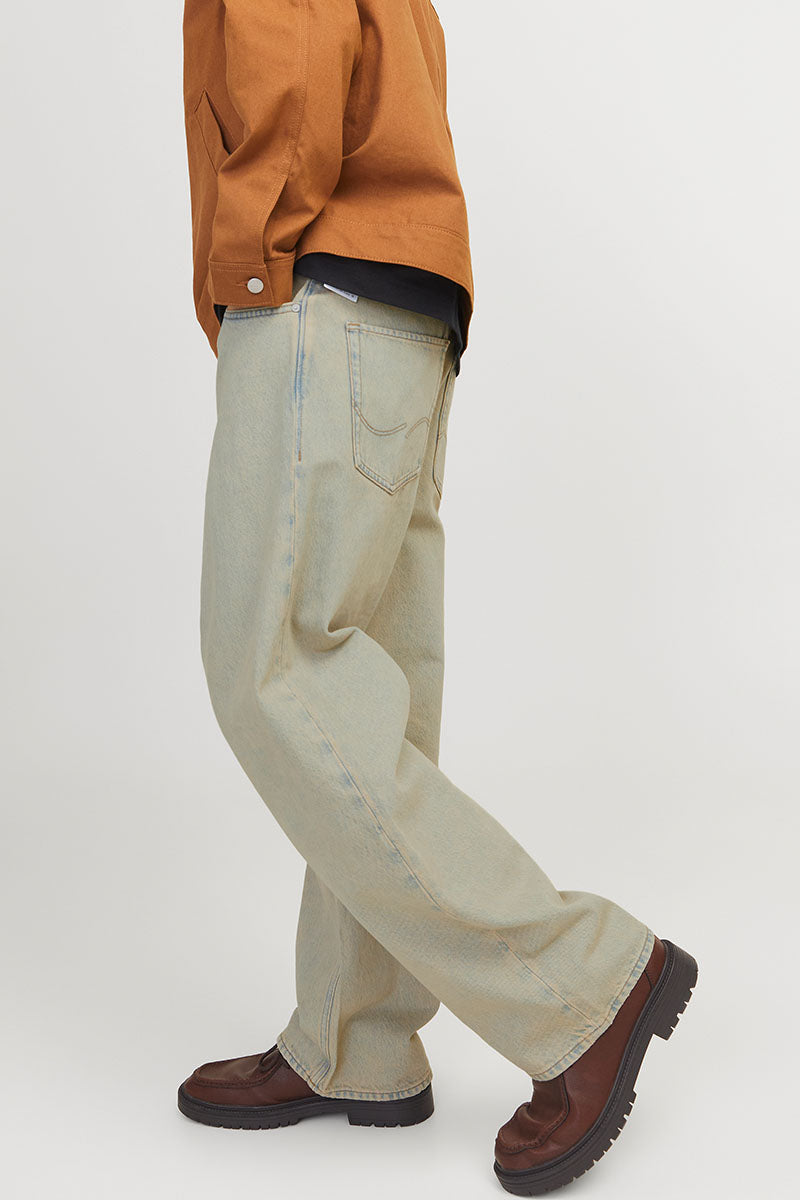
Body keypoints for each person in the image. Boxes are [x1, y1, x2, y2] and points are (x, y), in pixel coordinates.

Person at [177, 3, 697, 1193]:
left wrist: (246, 259)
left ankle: (582, 983)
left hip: (317, 289)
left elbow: (287, 60)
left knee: (274, 673)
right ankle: (355, 1037)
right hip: (401, 302)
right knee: (369, 698)